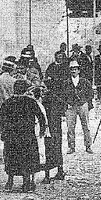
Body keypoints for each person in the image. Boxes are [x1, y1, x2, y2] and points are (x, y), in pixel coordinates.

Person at [0, 80, 46, 193]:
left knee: (11, 158)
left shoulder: (8, 102)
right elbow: (41, 117)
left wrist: (5, 128)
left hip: (12, 136)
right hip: (27, 135)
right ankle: (26, 183)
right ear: (25, 90)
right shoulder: (31, 101)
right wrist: (42, 129)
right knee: (27, 158)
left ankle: (10, 182)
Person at [43, 51, 69, 181]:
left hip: (55, 117)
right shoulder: (51, 67)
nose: (59, 59)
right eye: (57, 57)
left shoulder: (65, 68)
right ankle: (53, 170)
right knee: (51, 144)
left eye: (61, 57)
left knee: (55, 143)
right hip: (50, 121)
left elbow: (64, 84)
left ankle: (58, 170)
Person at [63, 60, 94, 154]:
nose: (73, 71)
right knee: (70, 127)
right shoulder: (66, 82)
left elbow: (90, 93)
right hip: (71, 106)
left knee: (86, 126)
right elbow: (63, 95)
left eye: (75, 69)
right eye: (72, 69)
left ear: (79, 70)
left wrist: (85, 102)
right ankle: (71, 146)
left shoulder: (85, 81)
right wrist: (67, 103)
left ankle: (88, 145)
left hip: (82, 105)